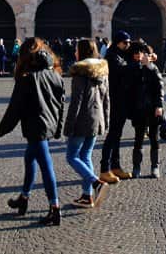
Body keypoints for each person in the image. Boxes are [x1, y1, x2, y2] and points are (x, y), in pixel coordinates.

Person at [0, 38, 65, 226]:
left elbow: (15, 108)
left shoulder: (27, 79)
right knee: (30, 158)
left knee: (46, 165)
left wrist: (3, 129)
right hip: (48, 124)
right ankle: (24, 198)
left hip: (36, 127)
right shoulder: (56, 75)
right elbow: (61, 106)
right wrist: (58, 128)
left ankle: (55, 208)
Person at [63, 39, 110, 208]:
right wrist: (106, 121)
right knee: (86, 156)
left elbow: (76, 101)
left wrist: (68, 126)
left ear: (81, 52)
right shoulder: (102, 71)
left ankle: (96, 183)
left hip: (81, 120)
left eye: (76, 50)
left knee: (72, 156)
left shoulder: (79, 71)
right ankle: (86, 196)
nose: (75, 52)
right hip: (97, 119)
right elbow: (106, 99)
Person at [99, 31, 133, 183]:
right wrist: (136, 64)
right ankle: (104, 169)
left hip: (121, 100)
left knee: (117, 135)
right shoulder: (112, 57)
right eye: (125, 42)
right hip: (114, 101)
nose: (128, 45)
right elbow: (122, 72)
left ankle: (115, 166)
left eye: (129, 42)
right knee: (112, 135)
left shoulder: (120, 55)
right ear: (118, 42)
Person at [129, 42, 165, 179]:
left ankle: (155, 166)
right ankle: (136, 167)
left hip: (152, 108)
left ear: (148, 56)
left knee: (154, 139)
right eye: (138, 54)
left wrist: (159, 106)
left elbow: (160, 88)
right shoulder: (135, 69)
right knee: (138, 138)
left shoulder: (153, 69)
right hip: (139, 109)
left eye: (143, 54)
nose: (141, 56)